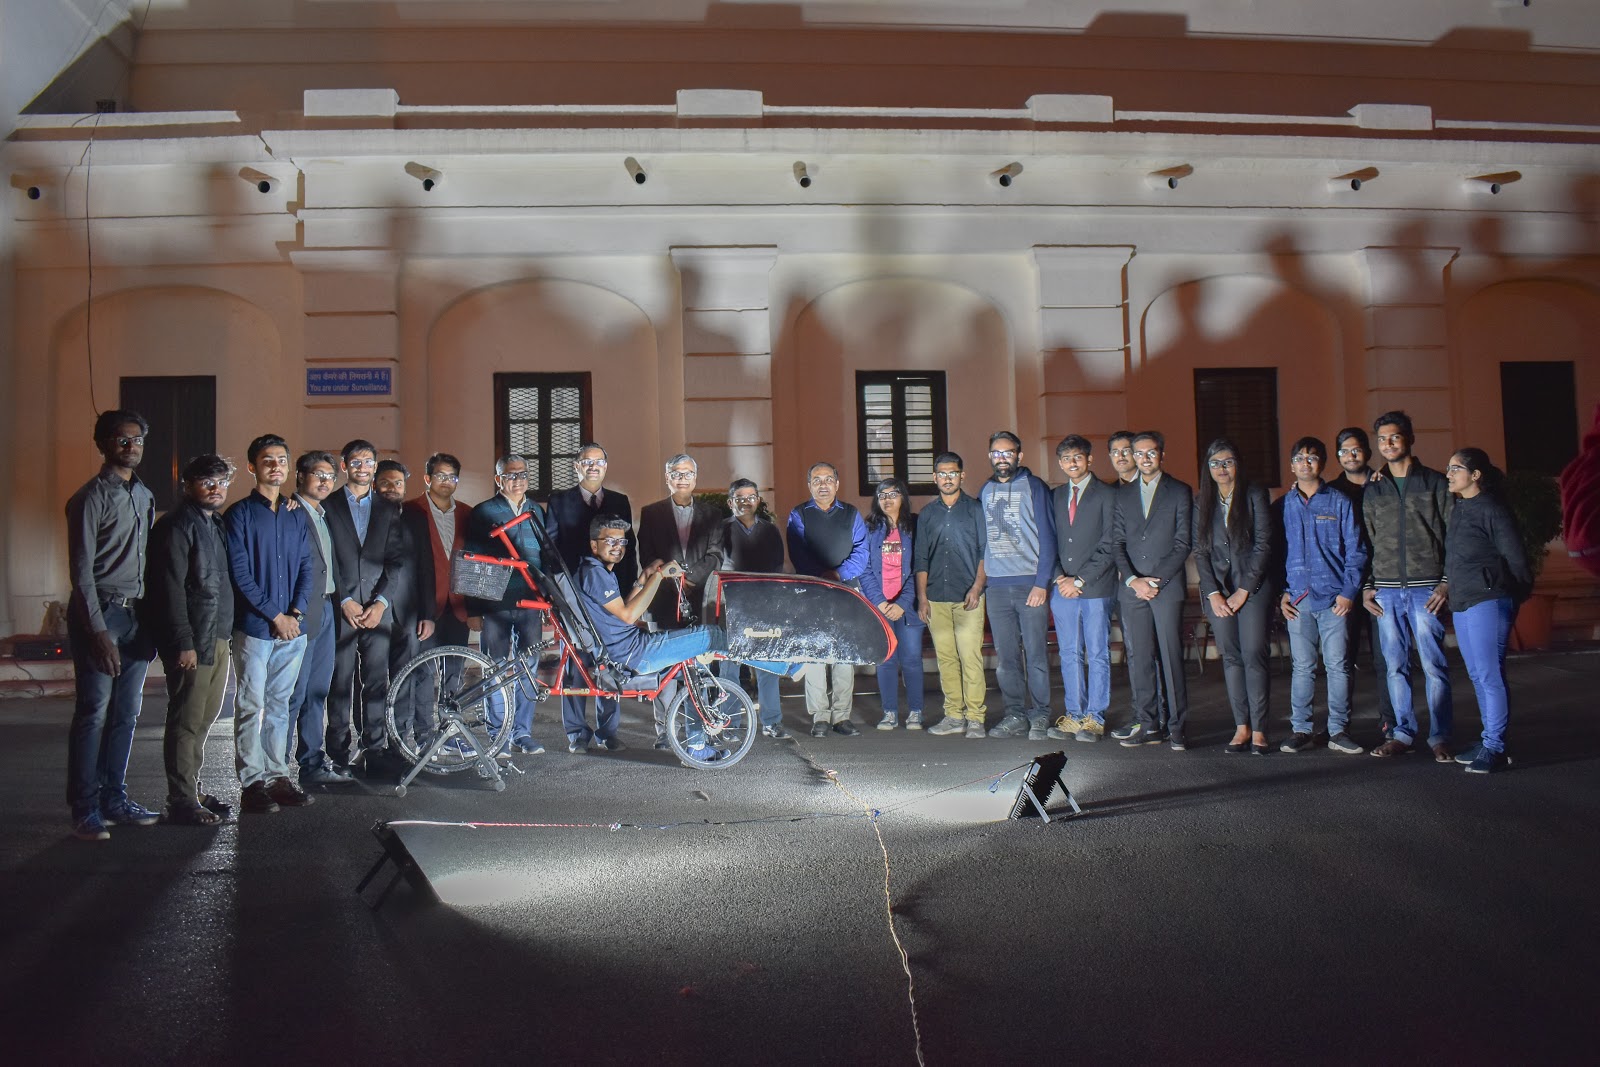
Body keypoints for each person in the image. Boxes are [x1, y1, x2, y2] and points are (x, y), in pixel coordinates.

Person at [576, 517, 795, 762]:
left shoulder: (595, 571)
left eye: (621, 541)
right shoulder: (594, 574)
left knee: (696, 667)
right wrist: (658, 577)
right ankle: (784, 665)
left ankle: (697, 745)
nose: (618, 547)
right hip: (635, 653)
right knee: (710, 634)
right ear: (594, 545)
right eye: (610, 541)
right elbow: (628, 615)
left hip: (633, 647)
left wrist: (644, 578)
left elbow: (624, 611)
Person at [64, 409, 160, 840]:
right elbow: (81, 572)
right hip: (101, 612)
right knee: (93, 711)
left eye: (137, 439)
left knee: (127, 712)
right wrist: (97, 631)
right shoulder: (90, 498)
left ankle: (114, 799)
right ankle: (84, 808)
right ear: (103, 444)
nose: (131, 446)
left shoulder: (144, 495)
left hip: (136, 615)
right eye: (122, 439)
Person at [226, 433, 315, 814]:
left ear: (288, 466)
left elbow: (308, 567)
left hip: (293, 628)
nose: (275, 466)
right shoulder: (239, 515)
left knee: (280, 704)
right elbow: (240, 574)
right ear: (252, 467)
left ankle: (278, 776)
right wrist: (275, 616)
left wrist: (295, 614)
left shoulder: (296, 514)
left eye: (281, 459)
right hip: (255, 628)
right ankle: (252, 783)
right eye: (267, 460)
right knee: (251, 705)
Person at [145, 455, 237, 824]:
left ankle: (191, 789)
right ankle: (181, 799)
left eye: (221, 482)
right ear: (188, 485)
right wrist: (183, 641)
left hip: (216, 634)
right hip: (193, 639)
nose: (216, 489)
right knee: (186, 719)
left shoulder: (214, 523)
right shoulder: (176, 526)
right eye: (206, 482)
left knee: (204, 718)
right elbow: (169, 590)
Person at [1362, 411, 1455, 761]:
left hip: (1426, 589)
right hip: (1385, 591)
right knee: (1395, 666)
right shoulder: (1374, 488)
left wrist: (1446, 582)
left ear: (1410, 439)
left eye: (1395, 437)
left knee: (1434, 665)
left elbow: (1453, 536)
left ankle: (1440, 736)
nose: (1388, 444)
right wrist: (1367, 586)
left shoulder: (1435, 483)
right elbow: (1368, 542)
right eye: (1382, 439)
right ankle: (1402, 733)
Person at [322, 439, 407, 776]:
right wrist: (344, 600)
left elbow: (395, 561)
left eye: (368, 461)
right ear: (344, 466)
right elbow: (326, 559)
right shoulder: (328, 505)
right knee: (340, 682)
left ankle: (374, 748)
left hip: (376, 609)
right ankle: (338, 754)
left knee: (376, 681)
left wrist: (381, 603)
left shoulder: (388, 509)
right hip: (341, 608)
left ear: (374, 466)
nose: (362, 467)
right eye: (356, 462)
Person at [1278, 438, 1368, 756]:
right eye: (1299, 458)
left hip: (1334, 600)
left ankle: (1338, 730)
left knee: (1338, 666)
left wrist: (1348, 592)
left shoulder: (1340, 502)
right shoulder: (1283, 506)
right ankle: (1301, 729)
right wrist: (1282, 594)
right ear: (1292, 465)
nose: (1306, 463)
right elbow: (1276, 554)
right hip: (1298, 599)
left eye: (1312, 457)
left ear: (1322, 463)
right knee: (1302, 667)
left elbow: (1356, 550)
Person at [1444, 448, 1531, 774]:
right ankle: (1490, 741)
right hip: (1463, 602)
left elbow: (1516, 557)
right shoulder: (1460, 509)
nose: (1449, 474)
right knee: (1478, 675)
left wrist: (1514, 595)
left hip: (1489, 600)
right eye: (1449, 468)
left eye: (1456, 469)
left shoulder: (1492, 509)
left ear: (1476, 474)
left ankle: (1494, 746)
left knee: (1489, 674)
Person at [545, 443, 633, 752]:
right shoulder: (559, 501)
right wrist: (555, 595)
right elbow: (550, 550)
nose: (593, 466)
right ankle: (576, 733)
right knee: (575, 662)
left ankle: (608, 731)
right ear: (576, 466)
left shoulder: (620, 501)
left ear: (606, 466)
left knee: (610, 660)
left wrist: (627, 592)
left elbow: (629, 548)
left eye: (598, 462)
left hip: (610, 594)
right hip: (573, 596)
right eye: (586, 461)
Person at [637, 454, 726, 751]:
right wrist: (671, 577)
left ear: (695, 478)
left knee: (701, 667)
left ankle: (702, 729)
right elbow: (646, 555)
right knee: (666, 669)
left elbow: (716, 555)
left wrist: (690, 578)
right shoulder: (651, 513)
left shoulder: (713, 514)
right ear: (667, 478)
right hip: (663, 598)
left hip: (700, 600)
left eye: (688, 473)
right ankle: (665, 731)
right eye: (676, 473)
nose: (682, 478)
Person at [1112, 430, 1194, 750]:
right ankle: (1149, 726)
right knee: (1140, 659)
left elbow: (1183, 543)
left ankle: (1177, 726)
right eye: (1139, 453)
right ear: (1133, 456)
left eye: (1151, 452)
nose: (1145, 458)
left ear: (1162, 454)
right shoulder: (1123, 495)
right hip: (1132, 590)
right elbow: (1117, 543)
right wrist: (1134, 580)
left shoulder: (1179, 491)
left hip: (1166, 588)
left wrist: (1155, 581)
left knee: (1170, 659)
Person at [1193, 439, 1276, 754]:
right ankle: (1241, 726)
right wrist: (1213, 593)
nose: (1222, 468)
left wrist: (1244, 590)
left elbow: (1264, 544)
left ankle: (1260, 729)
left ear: (1238, 464)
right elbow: (1200, 551)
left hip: (1252, 588)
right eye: (1215, 463)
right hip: (1219, 592)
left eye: (1227, 461)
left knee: (1254, 653)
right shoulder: (1202, 501)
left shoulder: (1254, 494)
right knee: (1230, 656)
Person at [466, 453, 549, 755]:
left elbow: (545, 556)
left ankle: (522, 733)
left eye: (522, 474)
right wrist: (474, 609)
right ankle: (498, 734)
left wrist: (547, 599)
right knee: (496, 667)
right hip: (495, 601)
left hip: (531, 601)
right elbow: (473, 560)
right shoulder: (484, 512)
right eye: (511, 475)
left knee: (528, 665)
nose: (518, 480)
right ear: (498, 479)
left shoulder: (535, 510)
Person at [978, 431, 1057, 741]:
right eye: (996, 453)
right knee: (1006, 658)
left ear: (1019, 456)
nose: (1002, 458)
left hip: (1029, 584)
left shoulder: (1034, 487)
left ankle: (1040, 714)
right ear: (990, 456)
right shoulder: (985, 490)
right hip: (997, 587)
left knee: (1036, 655)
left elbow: (1048, 538)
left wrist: (1041, 583)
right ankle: (1014, 715)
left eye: (1008, 452)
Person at [786, 461, 869, 737]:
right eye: (817, 480)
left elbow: (861, 553)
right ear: (809, 485)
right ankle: (820, 716)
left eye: (828, 479)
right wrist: (823, 576)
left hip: (847, 590)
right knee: (815, 654)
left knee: (844, 654)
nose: (823, 485)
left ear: (837, 483)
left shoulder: (851, 514)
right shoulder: (799, 514)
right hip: (813, 590)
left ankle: (841, 716)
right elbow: (798, 553)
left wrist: (838, 574)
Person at [400, 452, 474, 750]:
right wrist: (420, 610)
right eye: (441, 476)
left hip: (458, 607)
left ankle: (449, 732)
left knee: (454, 673)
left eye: (452, 477)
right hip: (425, 609)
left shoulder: (467, 514)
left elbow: (473, 563)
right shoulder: (410, 510)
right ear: (427, 478)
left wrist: (475, 608)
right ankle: (425, 736)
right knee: (422, 672)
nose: (447, 482)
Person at [286, 450, 351, 785]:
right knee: (293, 694)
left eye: (330, 477)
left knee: (317, 691)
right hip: (301, 612)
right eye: (318, 475)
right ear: (300, 476)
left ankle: (311, 764)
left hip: (327, 609)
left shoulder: (323, 515)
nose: (325, 482)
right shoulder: (288, 512)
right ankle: (276, 770)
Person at [1046, 435, 1117, 743]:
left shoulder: (1108, 494)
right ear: (1060, 464)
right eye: (1066, 458)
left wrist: (1079, 580)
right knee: (1069, 652)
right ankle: (1074, 715)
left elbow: (1110, 543)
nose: (1072, 463)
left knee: (1097, 652)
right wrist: (1060, 577)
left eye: (1077, 457)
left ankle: (1095, 718)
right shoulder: (1056, 496)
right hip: (1062, 589)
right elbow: (1048, 541)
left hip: (1096, 587)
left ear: (1089, 459)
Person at [916, 453, 989, 738]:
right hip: (936, 597)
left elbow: (984, 552)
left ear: (962, 475)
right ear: (935, 477)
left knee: (970, 658)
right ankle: (954, 716)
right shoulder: (927, 514)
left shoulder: (976, 509)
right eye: (943, 474)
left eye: (953, 473)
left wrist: (977, 587)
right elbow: (921, 558)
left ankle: (975, 718)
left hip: (968, 597)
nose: (948, 478)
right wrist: (923, 598)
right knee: (946, 659)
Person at [1329, 426, 1393, 739]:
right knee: (1343, 657)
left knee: (1385, 657)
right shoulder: (1331, 492)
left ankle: (1390, 721)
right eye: (1344, 451)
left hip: (1382, 580)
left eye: (1355, 450)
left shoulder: (1384, 484)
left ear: (1366, 452)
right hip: (1346, 585)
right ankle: (1340, 725)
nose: (1350, 456)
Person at [719, 478, 790, 738]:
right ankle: (730, 723)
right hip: (731, 604)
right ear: (730, 502)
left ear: (758, 500)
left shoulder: (769, 531)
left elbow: (777, 567)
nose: (746, 502)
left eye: (751, 497)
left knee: (767, 664)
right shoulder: (721, 530)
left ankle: (771, 721)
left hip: (764, 606)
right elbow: (718, 566)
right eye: (740, 498)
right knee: (729, 666)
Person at [375, 460, 435, 750]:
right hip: (373, 609)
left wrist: (428, 613)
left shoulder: (416, 516)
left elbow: (425, 566)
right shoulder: (365, 513)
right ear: (374, 484)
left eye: (398, 483)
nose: (392, 488)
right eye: (385, 482)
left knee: (407, 675)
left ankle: (401, 740)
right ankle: (373, 743)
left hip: (409, 611)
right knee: (372, 680)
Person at [862, 477, 925, 730]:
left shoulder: (915, 526)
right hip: (880, 607)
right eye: (882, 495)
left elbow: (919, 567)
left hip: (908, 607)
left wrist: (903, 602)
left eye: (893, 494)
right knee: (886, 660)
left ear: (903, 498)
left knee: (911, 659)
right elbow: (864, 569)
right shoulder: (868, 528)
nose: (887, 499)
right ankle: (889, 712)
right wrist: (879, 602)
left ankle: (916, 712)